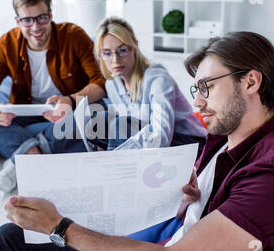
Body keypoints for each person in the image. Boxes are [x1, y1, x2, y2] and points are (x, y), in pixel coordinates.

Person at [0, 31, 274, 251]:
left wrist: (59, 227)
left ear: (250, 82)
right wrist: (194, 197)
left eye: (208, 87)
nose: (197, 102)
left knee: (10, 245)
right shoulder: (224, 139)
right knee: (15, 236)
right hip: (167, 244)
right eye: (196, 89)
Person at [0, 0, 105, 193]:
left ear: (51, 15)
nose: (35, 27)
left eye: (41, 18)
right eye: (27, 20)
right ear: (17, 21)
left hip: (65, 109)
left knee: (96, 111)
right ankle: (35, 153)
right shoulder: (7, 43)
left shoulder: (73, 35)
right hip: (27, 111)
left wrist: (69, 99)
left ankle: (19, 161)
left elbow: (100, 82)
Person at [88, 16, 206, 152]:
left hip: (190, 144)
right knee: (98, 123)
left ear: (135, 47)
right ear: (100, 56)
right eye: (107, 53)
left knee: (120, 125)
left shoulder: (158, 79)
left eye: (122, 50)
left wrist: (116, 154)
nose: (115, 60)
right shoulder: (112, 85)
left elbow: (161, 138)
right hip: (150, 141)